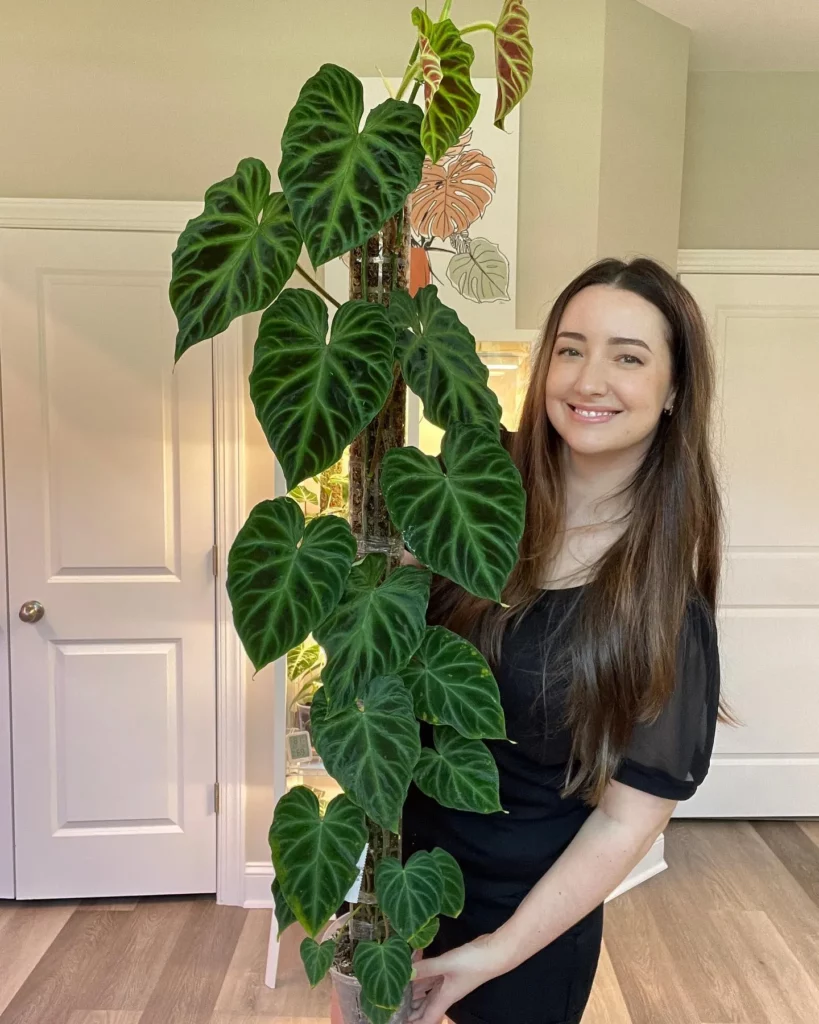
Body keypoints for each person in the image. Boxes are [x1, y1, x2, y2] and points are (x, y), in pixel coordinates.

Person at [401, 257, 735, 1024]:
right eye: (570, 348)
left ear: (674, 389)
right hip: (401, 889)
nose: (588, 381)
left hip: (525, 934)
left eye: (627, 357)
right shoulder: (473, 506)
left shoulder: (660, 609)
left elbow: (627, 818)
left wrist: (495, 953)